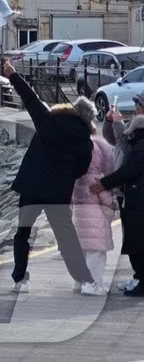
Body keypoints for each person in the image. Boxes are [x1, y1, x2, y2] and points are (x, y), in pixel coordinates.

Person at [0, 60, 103, 294]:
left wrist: (13, 75)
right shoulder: (84, 143)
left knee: (23, 233)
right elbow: (81, 170)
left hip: (31, 186)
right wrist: (64, 175)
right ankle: (86, 281)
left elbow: (30, 98)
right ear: (88, 120)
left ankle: (20, 280)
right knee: (66, 238)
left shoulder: (47, 120)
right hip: (57, 193)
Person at [71, 97, 117, 293]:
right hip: (95, 208)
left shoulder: (72, 146)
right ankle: (93, 284)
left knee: (82, 247)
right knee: (97, 250)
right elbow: (102, 180)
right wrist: (111, 206)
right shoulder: (98, 146)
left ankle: (79, 282)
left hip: (78, 205)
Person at [98, 111, 144, 296]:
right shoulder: (137, 144)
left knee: (137, 243)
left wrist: (104, 183)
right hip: (134, 198)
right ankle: (139, 278)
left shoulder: (140, 145)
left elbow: (130, 170)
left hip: (138, 201)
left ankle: (142, 280)